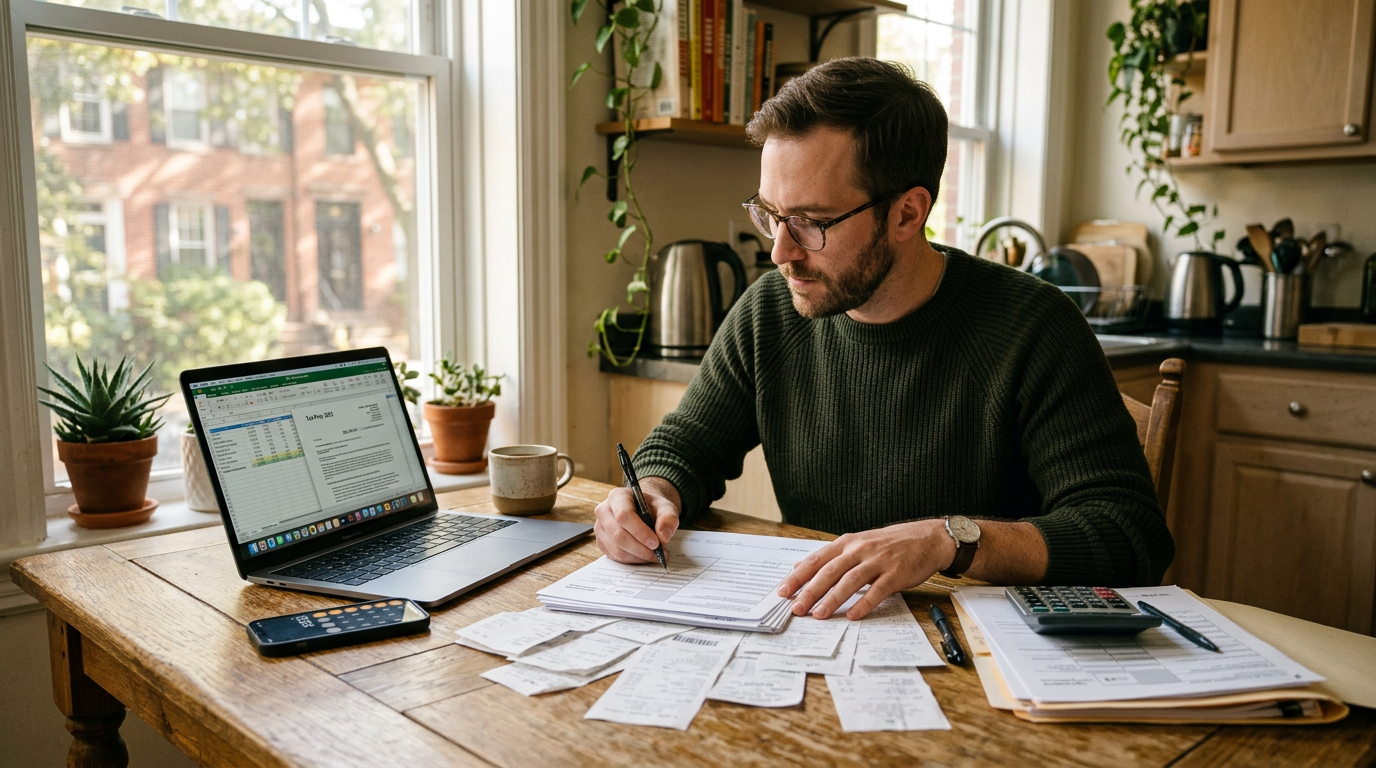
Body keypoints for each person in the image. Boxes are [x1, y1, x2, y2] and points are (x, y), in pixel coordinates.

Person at [594, 57, 1174, 620]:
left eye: (813, 223)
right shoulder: (768, 311)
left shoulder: (1034, 325)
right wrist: (649, 494)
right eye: (770, 214)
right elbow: (684, 448)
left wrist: (949, 540)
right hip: (820, 630)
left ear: (907, 213)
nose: (780, 252)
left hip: (985, 656)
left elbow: (1128, 534)